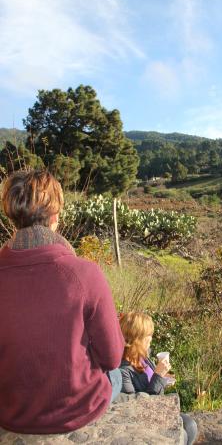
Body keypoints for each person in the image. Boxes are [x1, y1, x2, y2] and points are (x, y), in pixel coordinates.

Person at [0, 170, 124, 434]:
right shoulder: (84, 273)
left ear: (12, 217)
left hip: (12, 415)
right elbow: (112, 357)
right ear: (55, 217)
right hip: (77, 411)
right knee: (118, 375)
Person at [119, 312, 198, 445]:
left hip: (158, 409)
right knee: (182, 434)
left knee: (190, 425)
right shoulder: (123, 371)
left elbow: (152, 380)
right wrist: (158, 377)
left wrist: (163, 378)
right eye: (148, 335)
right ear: (137, 339)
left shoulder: (142, 356)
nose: (151, 339)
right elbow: (137, 407)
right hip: (143, 418)